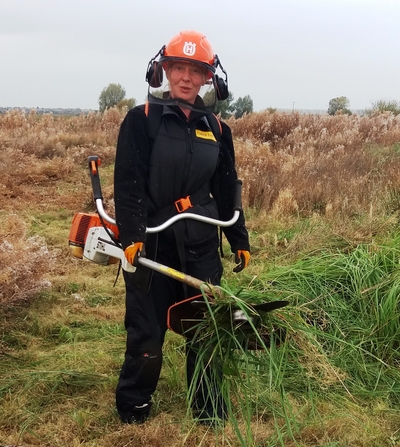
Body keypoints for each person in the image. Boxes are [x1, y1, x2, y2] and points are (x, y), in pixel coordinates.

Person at [113, 29, 250, 425]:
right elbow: (129, 183)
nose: (186, 77)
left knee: (207, 330)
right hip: (155, 243)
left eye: (195, 70)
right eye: (178, 68)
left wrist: (238, 238)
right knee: (146, 330)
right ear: (164, 71)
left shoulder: (219, 130)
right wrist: (132, 236)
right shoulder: (142, 120)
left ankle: (208, 411)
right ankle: (134, 408)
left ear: (209, 78)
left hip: (203, 245)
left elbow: (227, 187)